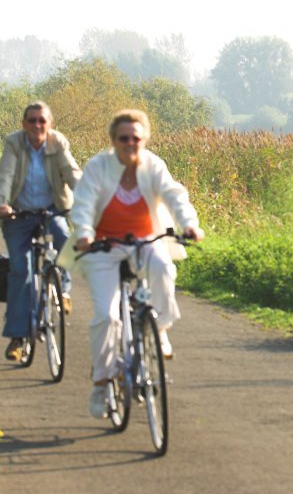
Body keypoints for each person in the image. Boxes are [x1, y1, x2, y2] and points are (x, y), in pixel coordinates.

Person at [69, 108, 205, 419]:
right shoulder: (98, 166)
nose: (131, 143)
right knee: (107, 316)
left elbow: (175, 196)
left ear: (145, 139)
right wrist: (85, 233)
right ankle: (102, 383)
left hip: (145, 240)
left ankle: (159, 327)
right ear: (113, 140)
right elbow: (84, 203)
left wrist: (189, 224)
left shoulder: (153, 165)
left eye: (136, 138)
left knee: (163, 269)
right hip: (103, 245)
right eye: (124, 138)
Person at [0, 101, 82, 362]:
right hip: (19, 214)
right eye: (32, 121)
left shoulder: (58, 144)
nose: (37, 125)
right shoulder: (15, 143)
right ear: (24, 124)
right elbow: (4, 175)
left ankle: (62, 289)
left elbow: (73, 173)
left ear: (50, 123)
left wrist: (89, 200)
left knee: (66, 239)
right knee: (22, 271)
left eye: (42, 121)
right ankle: (18, 338)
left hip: (52, 211)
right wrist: (1, 204)